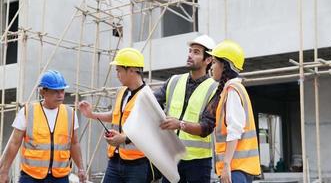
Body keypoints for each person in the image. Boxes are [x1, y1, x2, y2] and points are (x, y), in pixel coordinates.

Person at [78, 48, 150, 183]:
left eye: (119, 70)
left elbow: (149, 131)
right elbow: (114, 116)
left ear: (132, 70)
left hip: (137, 164)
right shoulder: (121, 91)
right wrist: (91, 114)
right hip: (114, 160)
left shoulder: (148, 97)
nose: (117, 74)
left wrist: (123, 138)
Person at [0, 70, 86, 183]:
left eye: (62, 91)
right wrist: (4, 171)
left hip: (60, 177)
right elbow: (14, 143)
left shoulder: (70, 113)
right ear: (43, 92)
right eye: (56, 91)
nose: (60, 95)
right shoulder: (27, 112)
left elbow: (74, 143)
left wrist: (81, 168)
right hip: (31, 176)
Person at [155, 34, 218, 183]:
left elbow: (206, 127)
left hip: (198, 162)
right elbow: (151, 103)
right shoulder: (174, 81)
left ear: (208, 60)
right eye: (190, 51)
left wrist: (179, 124)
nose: (190, 55)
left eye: (196, 52)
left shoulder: (214, 89)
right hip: (172, 156)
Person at [207, 40, 261, 183]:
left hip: (235, 169)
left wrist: (226, 166)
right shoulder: (233, 90)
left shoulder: (232, 91)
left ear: (224, 66)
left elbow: (235, 130)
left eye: (214, 63)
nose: (211, 67)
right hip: (239, 169)